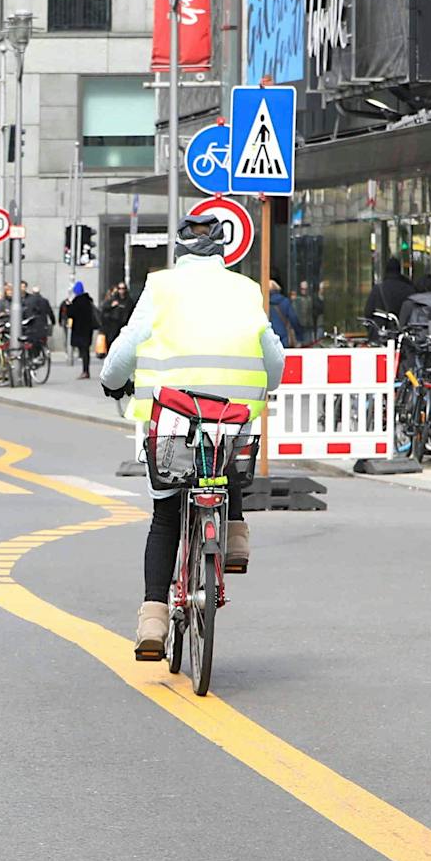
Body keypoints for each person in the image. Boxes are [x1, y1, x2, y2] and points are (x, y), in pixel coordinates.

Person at [101, 214, 285, 659]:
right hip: (231, 417)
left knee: (165, 516)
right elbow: (273, 359)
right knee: (226, 459)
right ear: (223, 254)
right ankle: (235, 535)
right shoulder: (245, 289)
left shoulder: (161, 287)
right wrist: (265, 382)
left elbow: (126, 347)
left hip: (172, 421)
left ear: (179, 252)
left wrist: (111, 381)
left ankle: (153, 619)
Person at [366, 256, 416, 329]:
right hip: (403, 334)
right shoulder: (409, 289)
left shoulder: (378, 289)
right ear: (399, 270)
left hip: (382, 332)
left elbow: (368, 313)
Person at [64, 280, 98, 378]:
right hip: (88, 329)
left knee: (83, 350)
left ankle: (85, 371)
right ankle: (86, 370)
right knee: (85, 350)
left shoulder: (77, 301)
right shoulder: (88, 300)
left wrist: (68, 305)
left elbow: (70, 314)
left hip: (79, 329)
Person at [267, 278, 306, 346]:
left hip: (268, 337)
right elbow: (293, 318)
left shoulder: (263, 302)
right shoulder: (285, 301)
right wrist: (299, 336)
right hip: (283, 337)